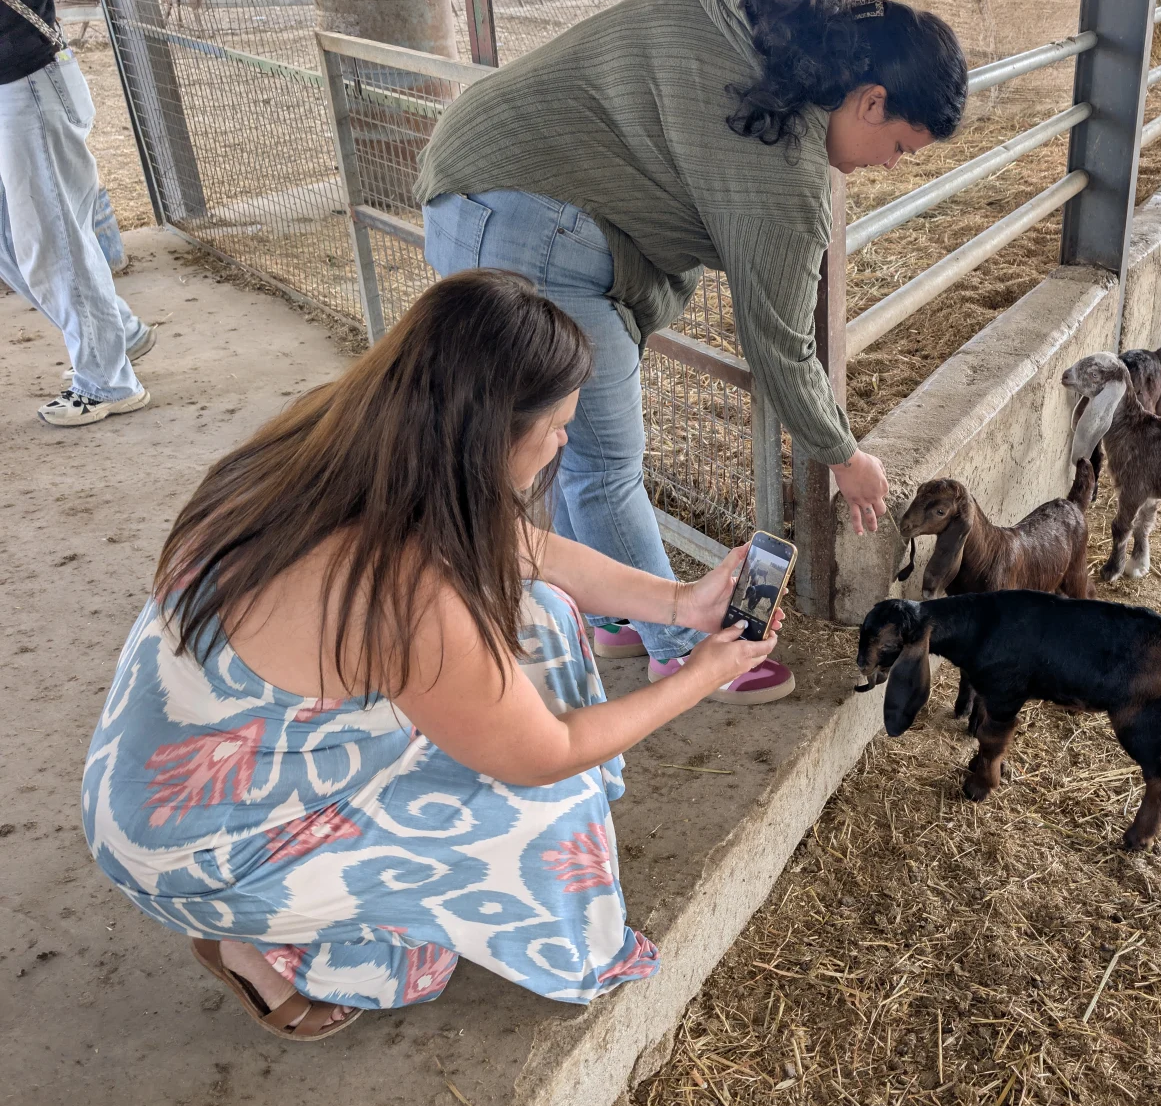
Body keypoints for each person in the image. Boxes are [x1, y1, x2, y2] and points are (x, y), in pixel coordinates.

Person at [82, 270, 783, 1040]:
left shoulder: (347, 433)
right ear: (488, 441)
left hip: (174, 767)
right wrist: (700, 673)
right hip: (203, 842)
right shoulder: (409, 591)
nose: (563, 442)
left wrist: (681, 603)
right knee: (516, 843)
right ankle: (256, 940)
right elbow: (550, 754)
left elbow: (524, 551)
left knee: (538, 612)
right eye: (554, 428)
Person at [416, 0, 966, 704]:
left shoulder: (764, 6)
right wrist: (844, 455)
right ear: (871, 100)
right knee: (606, 462)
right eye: (901, 147)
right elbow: (778, 342)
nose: (887, 167)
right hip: (531, 223)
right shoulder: (788, 178)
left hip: (473, 183)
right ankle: (683, 649)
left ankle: (612, 614)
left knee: (561, 446)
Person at [1, 0, 155, 427]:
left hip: (24, 82)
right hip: (9, 90)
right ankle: (120, 330)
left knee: (54, 240)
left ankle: (108, 381)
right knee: (11, 243)